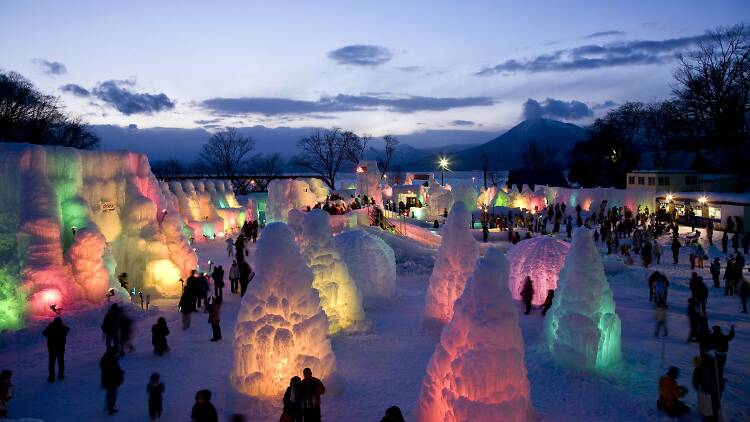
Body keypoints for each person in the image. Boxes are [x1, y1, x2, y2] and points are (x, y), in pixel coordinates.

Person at [43, 317, 69, 382]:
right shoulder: (63, 327)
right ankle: (60, 375)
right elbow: (67, 330)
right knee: (61, 361)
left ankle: (51, 377)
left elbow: (45, 333)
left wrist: (50, 326)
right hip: (61, 347)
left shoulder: (51, 327)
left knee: (52, 362)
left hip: (52, 347)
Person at [709, 325, 735, 390]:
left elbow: (709, 343)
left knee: (718, 365)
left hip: (717, 353)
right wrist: (732, 330)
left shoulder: (712, 336)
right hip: (723, 354)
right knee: (720, 366)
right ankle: (719, 378)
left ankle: (717, 376)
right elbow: (730, 336)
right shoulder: (722, 336)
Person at [100, 348, 124, 415]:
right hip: (111, 381)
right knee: (113, 395)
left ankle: (108, 406)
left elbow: (102, 367)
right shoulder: (112, 360)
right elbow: (115, 370)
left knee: (110, 393)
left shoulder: (106, 358)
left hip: (107, 380)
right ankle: (111, 409)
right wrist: (120, 374)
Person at [692, 356, 716, 421]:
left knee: (704, 401)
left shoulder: (698, 370)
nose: (693, 364)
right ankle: (706, 414)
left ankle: (707, 416)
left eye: (694, 363)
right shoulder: (705, 368)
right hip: (704, 388)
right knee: (704, 401)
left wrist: (696, 386)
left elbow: (696, 379)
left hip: (703, 388)